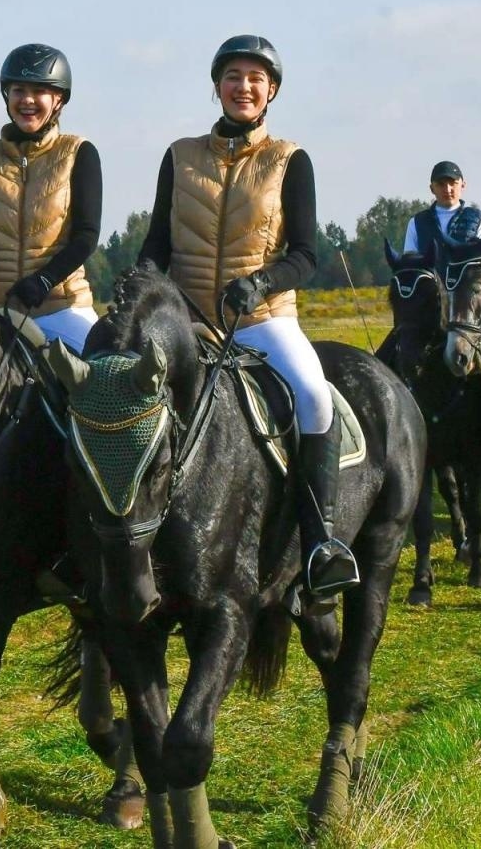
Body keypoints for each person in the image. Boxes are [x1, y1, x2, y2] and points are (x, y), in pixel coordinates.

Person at [138, 34, 357, 609]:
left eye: (256, 79)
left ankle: (320, 544)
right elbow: (156, 243)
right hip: (187, 321)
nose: (244, 87)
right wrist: (138, 293)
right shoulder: (180, 155)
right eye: (233, 76)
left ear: (272, 91)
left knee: (314, 397)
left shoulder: (290, 159)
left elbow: (306, 254)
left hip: (261, 317)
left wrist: (261, 282)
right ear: (217, 87)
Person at [0, 44, 101, 354]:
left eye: (39, 91)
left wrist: (44, 281)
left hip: (60, 308)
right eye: (18, 90)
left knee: (104, 379)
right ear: (6, 96)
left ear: (58, 100)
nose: (27, 100)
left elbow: (86, 236)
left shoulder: (78, 153)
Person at [402, 160, 481, 255]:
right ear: (432, 189)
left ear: (463, 185)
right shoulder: (417, 222)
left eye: (453, 183)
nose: (447, 189)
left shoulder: (479, 220)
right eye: (441, 184)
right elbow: (410, 261)